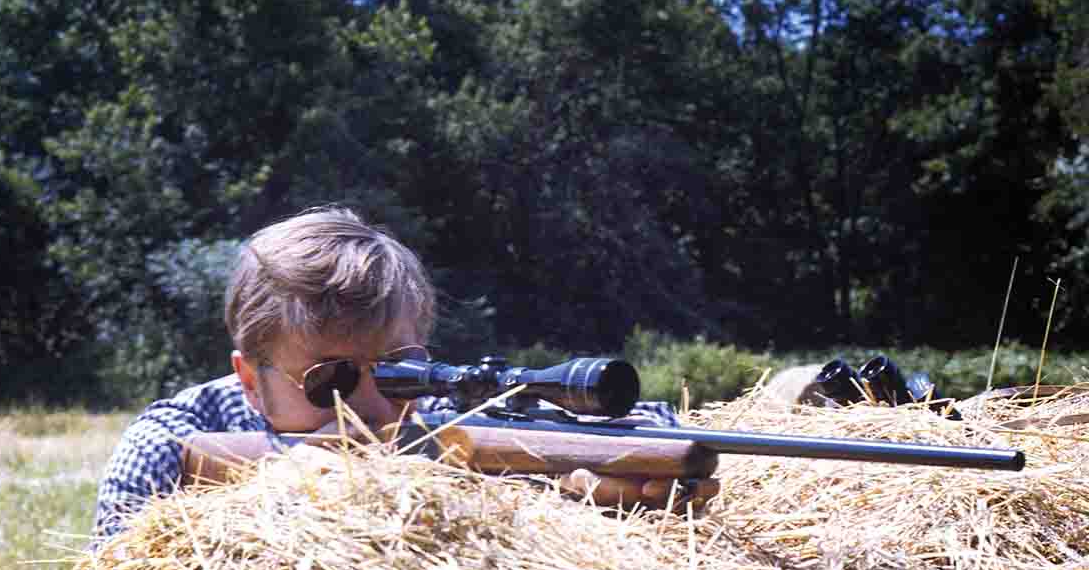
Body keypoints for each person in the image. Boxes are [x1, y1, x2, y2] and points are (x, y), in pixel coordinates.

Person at [94, 207, 718, 539]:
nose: (370, 409)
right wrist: (286, 486)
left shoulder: (445, 418)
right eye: (329, 382)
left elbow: (651, 428)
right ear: (251, 381)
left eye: (398, 373)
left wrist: (621, 479)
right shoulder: (174, 441)